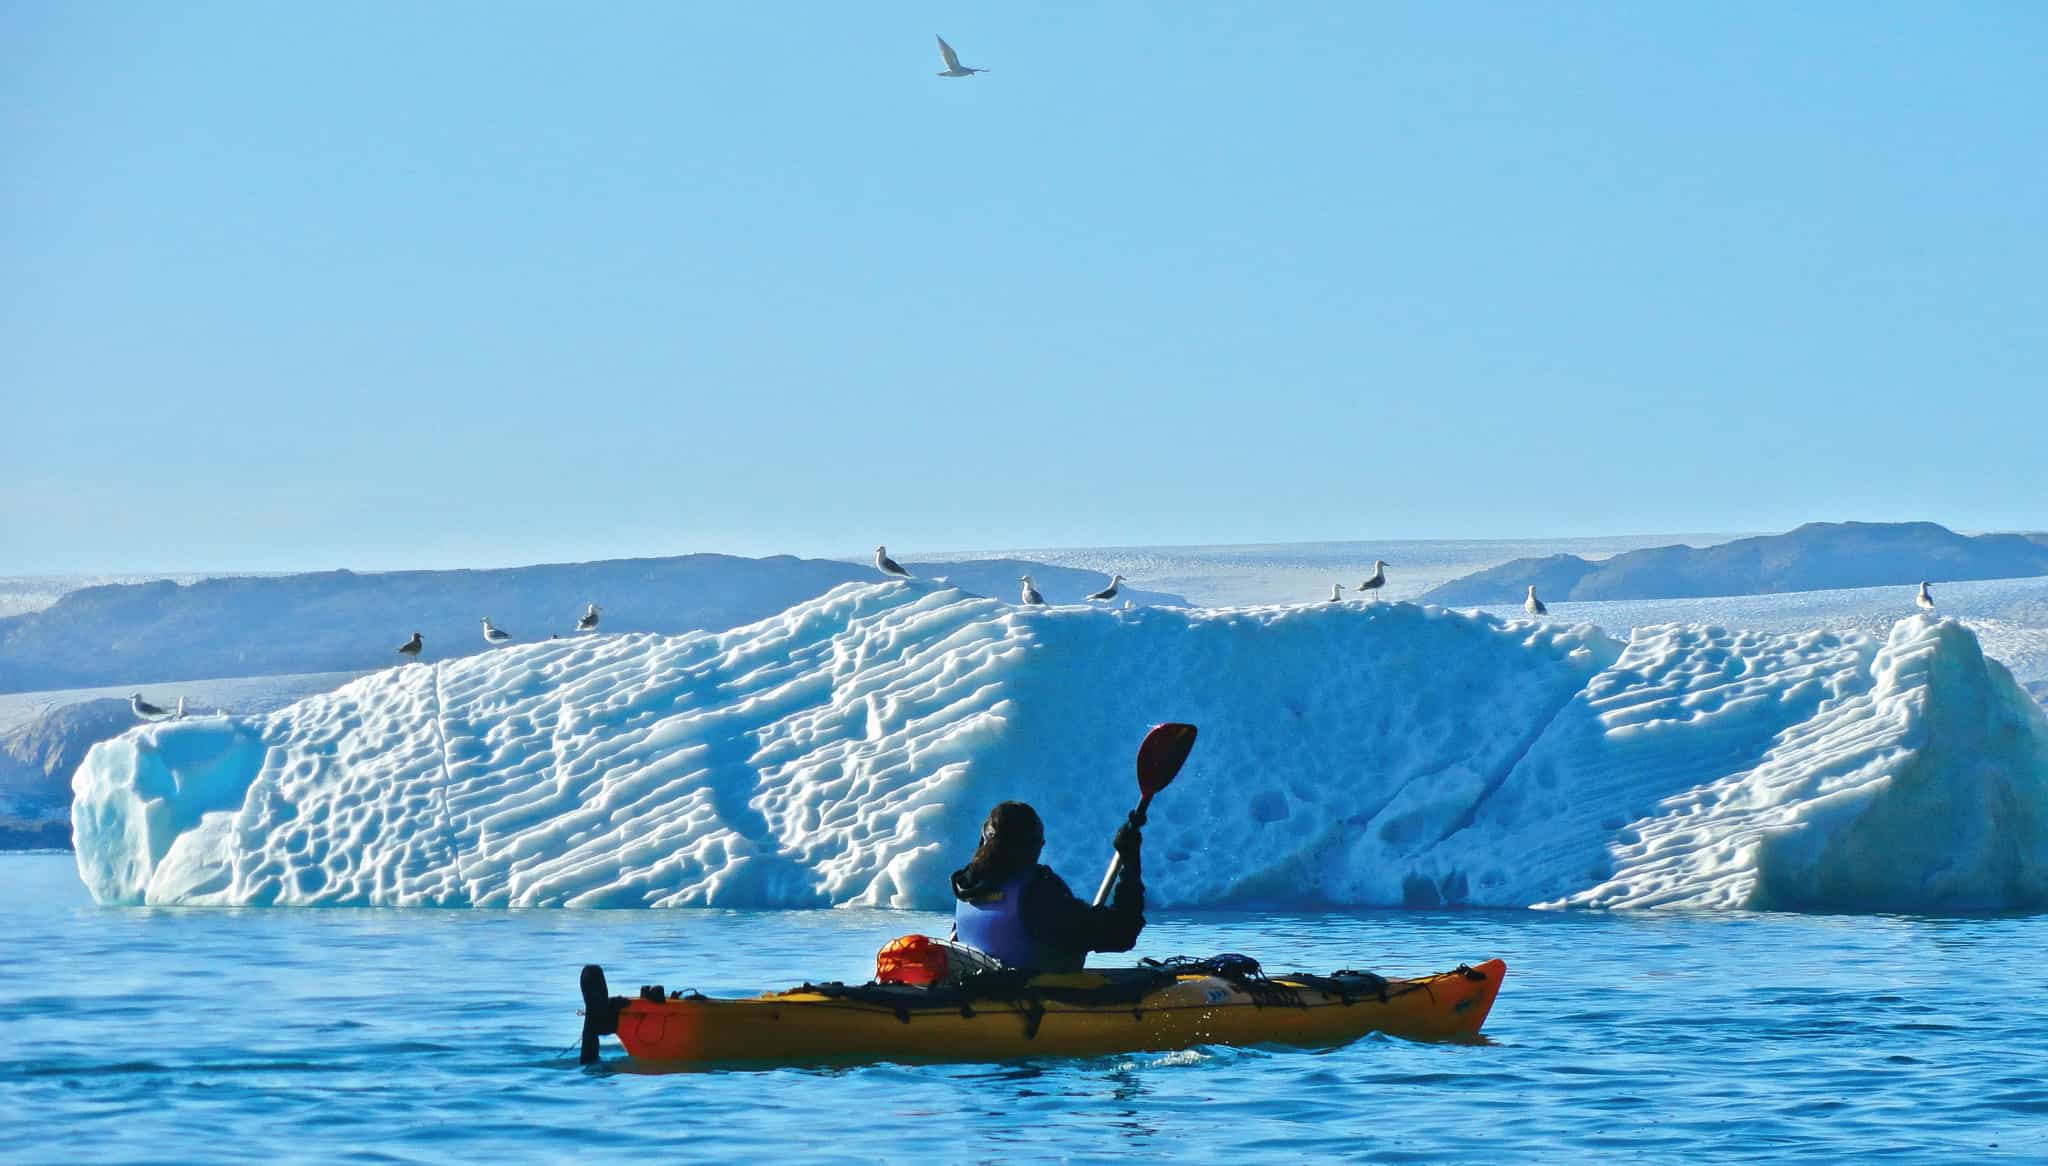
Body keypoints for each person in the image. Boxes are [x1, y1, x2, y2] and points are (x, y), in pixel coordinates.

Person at [950, 800, 1144, 973]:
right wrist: (1130, 864)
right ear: (1034, 847)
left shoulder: (966, 888)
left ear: (984, 840)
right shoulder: (1038, 892)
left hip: (977, 998)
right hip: (1035, 1002)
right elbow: (1122, 933)